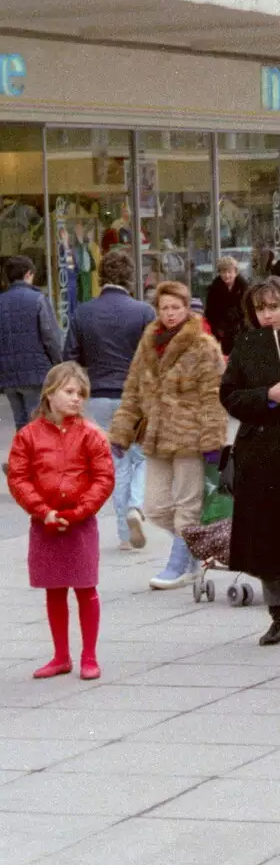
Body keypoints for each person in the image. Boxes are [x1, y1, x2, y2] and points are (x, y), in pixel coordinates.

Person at [220, 277, 280, 646]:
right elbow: (229, 396)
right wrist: (269, 396)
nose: (267, 314)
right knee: (263, 537)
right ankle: (279, 614)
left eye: (273, 306)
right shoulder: (246, 344)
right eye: (260, 308)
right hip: (259, 454)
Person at [109, 279, 227, 590]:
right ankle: (192, 545)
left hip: (191, 436)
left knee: (188, 503)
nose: (170, 313)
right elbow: (133, 390)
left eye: (176, 307)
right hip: (157, 435)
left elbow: (212, 395)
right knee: (154, 506)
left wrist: (213, 440)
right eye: (164, 308)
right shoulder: (148, 343)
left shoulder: (203, 345)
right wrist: (121, 431)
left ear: (187, 309)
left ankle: (179, 566)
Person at [6, 362, 114, 680]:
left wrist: (81, 510)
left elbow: (103, 478)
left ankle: (89, 655)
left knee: (85, 587)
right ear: (49, 394)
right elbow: (19, 478)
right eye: (69, 392)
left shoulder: (91, 435)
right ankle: (61, 655)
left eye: (81, 393)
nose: (76, 398)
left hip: (80, 522)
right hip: (45, 523)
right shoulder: (28, 436)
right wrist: (43, 511)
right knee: (54, 589)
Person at [62, 249, 153, 552]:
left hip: (99, 395)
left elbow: (70, 358)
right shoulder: (142, 312)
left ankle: (124, 536)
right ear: (130, 277)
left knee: (115, 464)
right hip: (134, 397)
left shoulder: (83, 312)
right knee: (140, 458)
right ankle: (136, 507)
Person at [0, 255, 63, 436]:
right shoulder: (38, 299)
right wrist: (58, 364)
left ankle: (24, 461)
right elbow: (50, 337)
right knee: (38, 424)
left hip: (8, 375)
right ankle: (37, 463)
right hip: (35, 373)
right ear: (28, 274)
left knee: (21, 424)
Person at [204, 257, 249, 357]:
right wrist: (218, 330)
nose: (227, 275)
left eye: (230, 272)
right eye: (223, 272)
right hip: (221, 333)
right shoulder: (213, 290)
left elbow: (249, 311)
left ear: (236, 272)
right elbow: (210, 314)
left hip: (241, 331)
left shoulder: (244, 288)